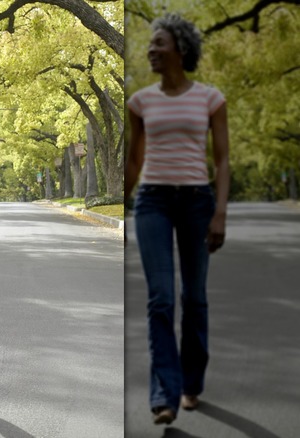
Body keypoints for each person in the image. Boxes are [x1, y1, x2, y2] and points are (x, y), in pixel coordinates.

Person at [125, 13, 229, 426]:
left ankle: (191, 384)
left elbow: (222, 160)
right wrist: (124, 199)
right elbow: (134, 161)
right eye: (150, 44)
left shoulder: (210, 98)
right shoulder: (141, 101)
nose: (151, 49)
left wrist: (220, 212)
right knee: (161, 299)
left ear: (181, 49)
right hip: (152, 201)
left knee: (195, 299)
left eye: (159, 43)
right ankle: (164, 395)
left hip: (197, 201)